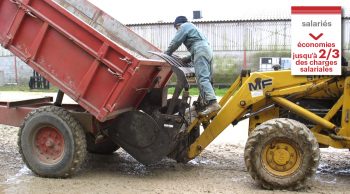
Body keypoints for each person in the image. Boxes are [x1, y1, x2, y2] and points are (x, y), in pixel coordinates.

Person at [164, 16, 221, 116]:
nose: (177, 30)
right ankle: (205, 103)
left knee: (202, 78)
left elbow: (176, 42)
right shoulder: (194, 28)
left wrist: (167, 53)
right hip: (207, 51)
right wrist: (188, 58)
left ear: (178, 25)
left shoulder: (184, 26)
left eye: (177, 28)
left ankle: (213, 103)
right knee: (208, 78)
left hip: (200, 51)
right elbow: (199, 45)